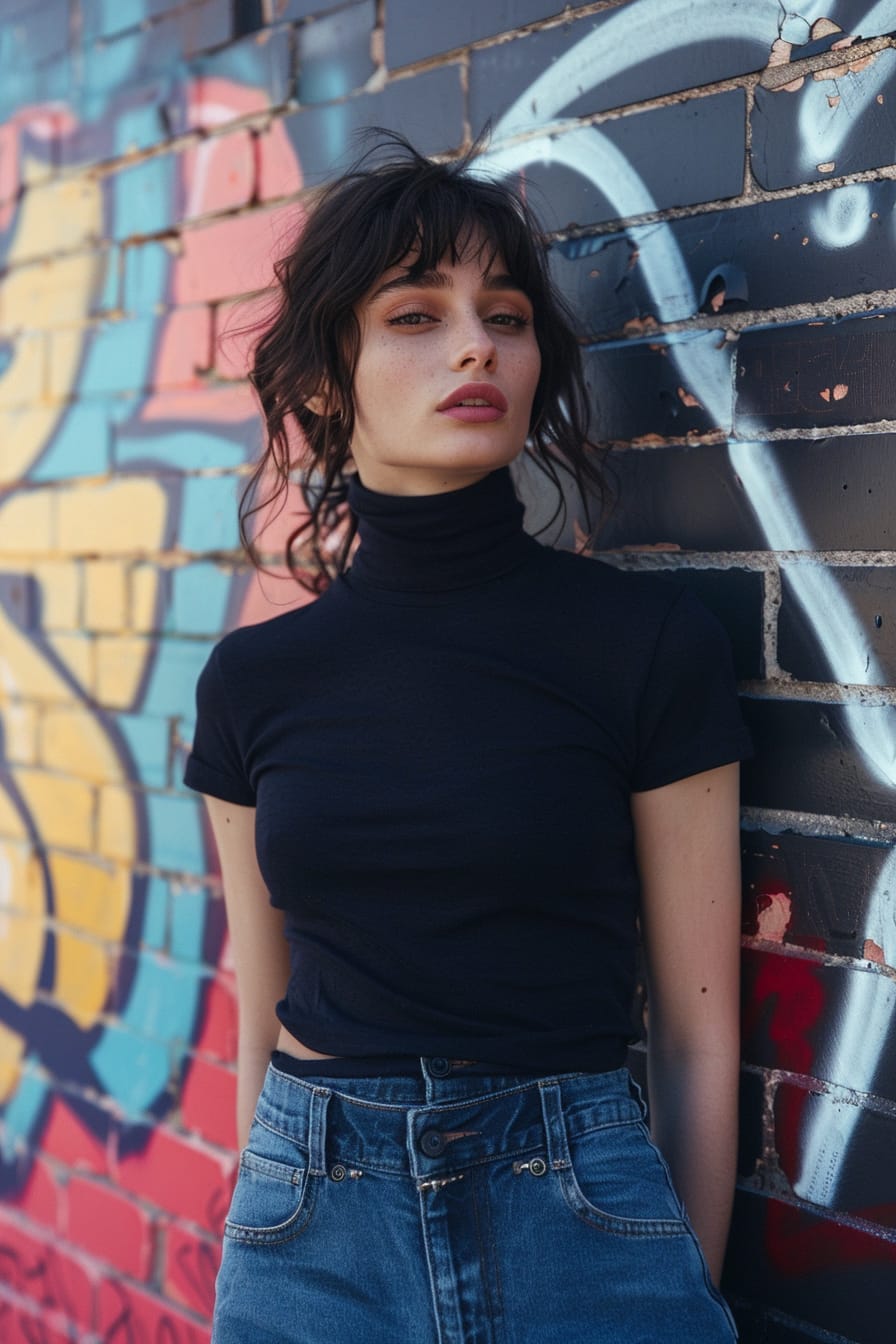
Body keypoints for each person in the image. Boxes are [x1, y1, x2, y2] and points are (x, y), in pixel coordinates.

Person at [184, 133, 751, 1343]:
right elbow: (260, 1002)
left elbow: (699, 1031)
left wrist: (686, 1280)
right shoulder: (251, 683)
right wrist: (262, 1213)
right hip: (312, 1231)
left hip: (582, 1212)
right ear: (328, 380)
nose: (472, 345)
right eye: (412, 315)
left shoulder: (645, 645)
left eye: (502, 314)